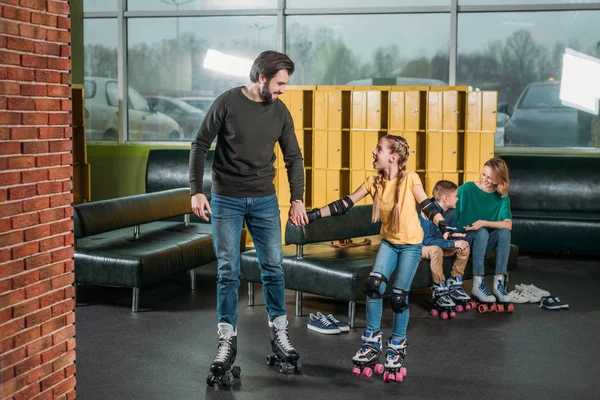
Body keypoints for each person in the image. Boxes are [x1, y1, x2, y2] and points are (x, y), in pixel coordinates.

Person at [189, 50, 308, 386]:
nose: (284, 89)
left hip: (264, 201)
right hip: (226, 199)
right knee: (228, 270)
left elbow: (294, 158)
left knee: (273, 267)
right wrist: (196, 190)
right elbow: (200, 144)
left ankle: (280, 334)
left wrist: (297, 199)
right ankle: (227, 340)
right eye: (280, 83)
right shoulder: (227, 103)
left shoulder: (280, 111)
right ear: (261, 78)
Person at [303, 134, 457, 382]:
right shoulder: (374, 181)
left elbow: (428, 205)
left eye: (379, 149)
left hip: (410, 246)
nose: (373, 153)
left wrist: (444, 227)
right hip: (389, 243)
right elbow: (344, 204)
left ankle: (396, 345)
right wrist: (312, 215)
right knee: (373, 287)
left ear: (393, 157)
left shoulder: (410, 179)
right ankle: (371, 341)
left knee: (398, 297)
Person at [455, 157, 513, 307]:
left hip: (485, 242)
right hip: (465, 239)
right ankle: (477, 285)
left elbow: (508, 224)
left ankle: (498, 285)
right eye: (484, 175)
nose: (485, 180)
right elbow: (445, 202)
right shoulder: (467, 188)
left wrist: (484, 222)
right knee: (481, 232)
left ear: (499, 179)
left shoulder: (502, 196)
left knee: (503, 233)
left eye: (491, 178)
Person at [418, 180, 472, 315]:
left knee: (464, 246)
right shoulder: (428, 213)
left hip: (439, 244)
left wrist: (455, 236)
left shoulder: (451, 212)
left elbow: (449, 233)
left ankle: (454, 282)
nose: (458, 198)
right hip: (421, 246)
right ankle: (439, 288)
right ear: (445, 198)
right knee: (436, 250)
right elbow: (427, 241)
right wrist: (452, 244)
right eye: (455, 196)